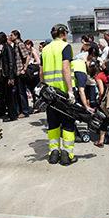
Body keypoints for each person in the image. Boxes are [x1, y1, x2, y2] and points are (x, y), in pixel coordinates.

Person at [42, 24, 78, 165]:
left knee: (53, 123)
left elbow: (41, 71)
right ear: (62, 34)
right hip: (62, 93)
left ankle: (53, 152)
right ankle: (67, 154)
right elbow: (65, 68)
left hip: (49, 94)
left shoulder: (45, 49)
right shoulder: (65, 47)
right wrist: (70, 91)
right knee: (68, 123)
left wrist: (42, 89)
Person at [0, 31, 20, 121]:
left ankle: (12, 116)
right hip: (5, 75)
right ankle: (11, 114)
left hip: (9, 76)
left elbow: (11, 63)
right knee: (8, 96)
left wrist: (11, 77)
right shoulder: (5, 47)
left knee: (10, 97)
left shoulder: (8, 48)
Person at [10, 30, 32, 118]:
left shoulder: (20, 44)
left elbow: (27, 56)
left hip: (20, 72)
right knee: (18, 92)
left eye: (11, 35)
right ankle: (21, 110)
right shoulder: (15, 45)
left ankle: (25, 111)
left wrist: (24, 68)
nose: (10, 36)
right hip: (17, 72)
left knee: (22, 92)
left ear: (16, 36)